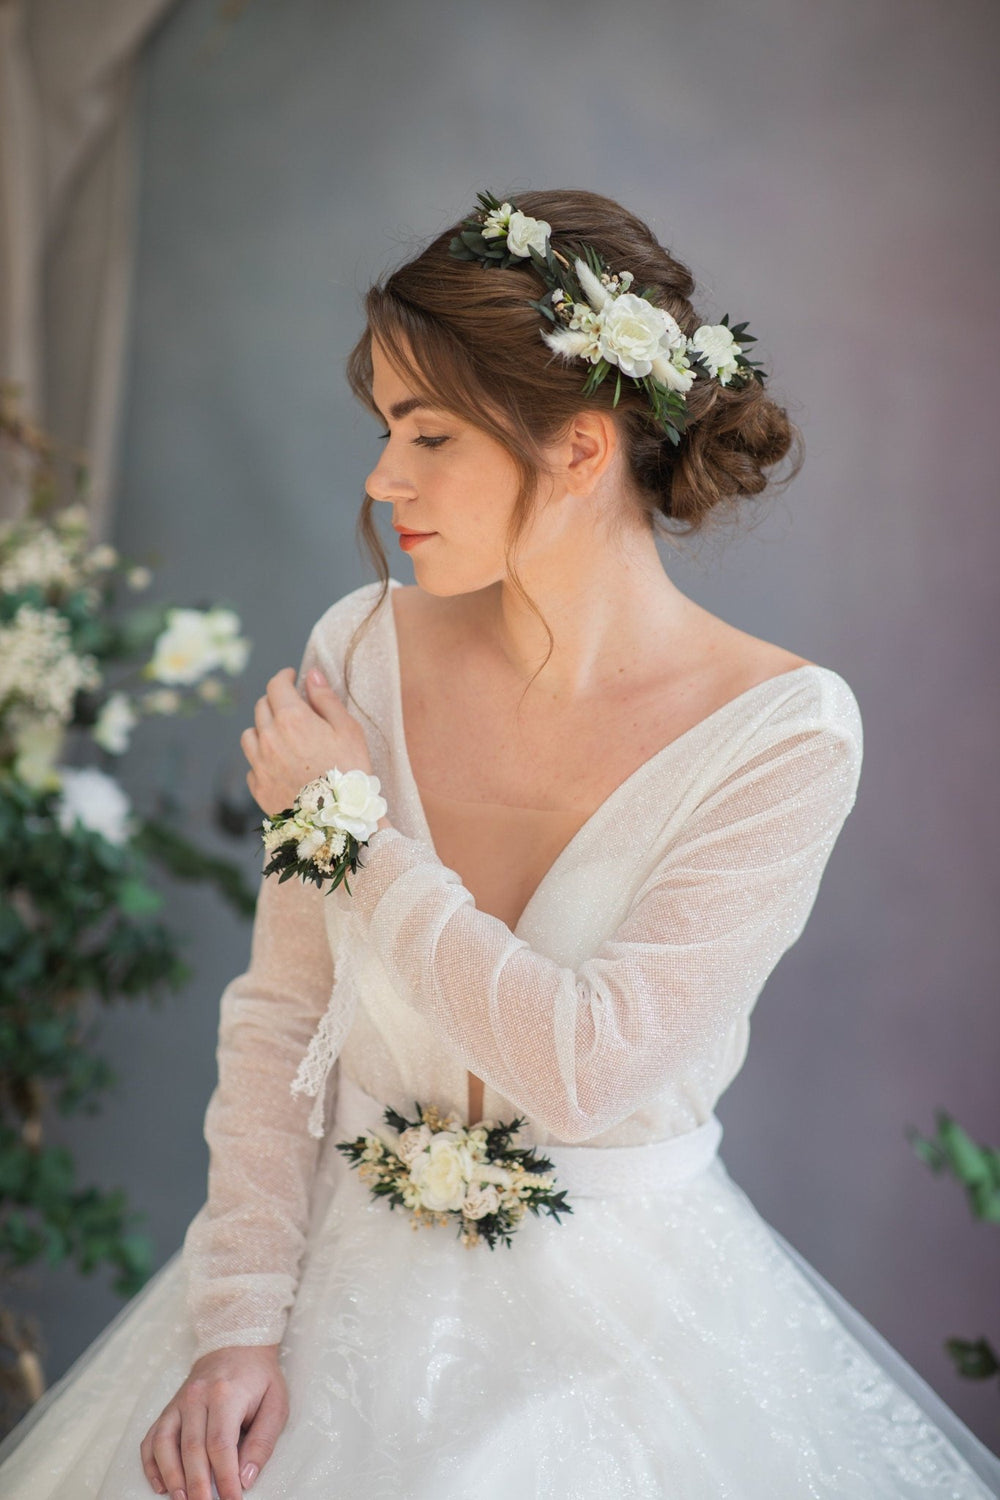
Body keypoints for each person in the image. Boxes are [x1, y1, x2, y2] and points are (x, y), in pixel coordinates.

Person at [0, 186, 997, 1500]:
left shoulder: (787, 735)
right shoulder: (356, 653)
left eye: (428, 434)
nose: (380, 477)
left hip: (622, 1334)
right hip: (323, 1296)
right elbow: (282, 1017)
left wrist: (358, 843)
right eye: (382, 430)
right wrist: (238, 1323)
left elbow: (588, 1068)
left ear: (581, 450)